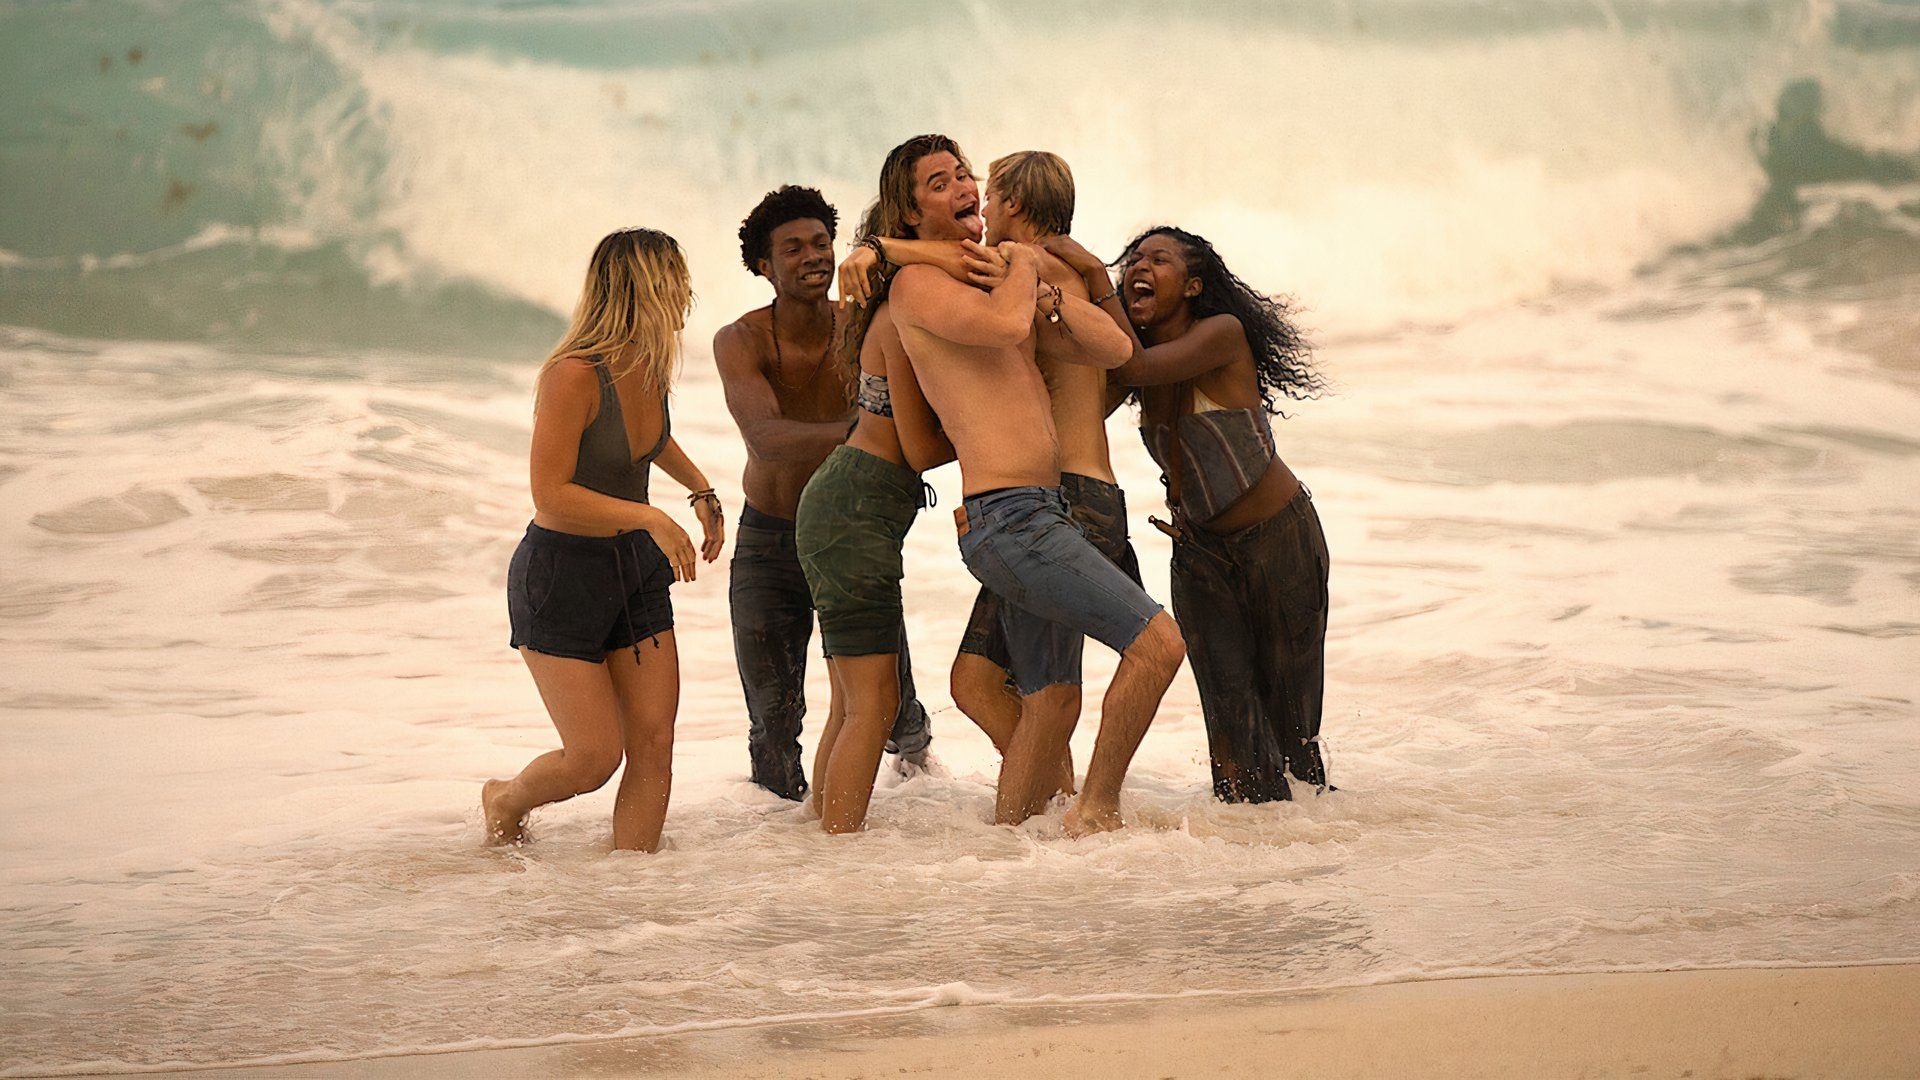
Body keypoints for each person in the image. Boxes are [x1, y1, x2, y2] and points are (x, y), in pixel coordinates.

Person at [869, 134, 1186, 836]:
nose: (965, 189)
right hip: (1011, 518)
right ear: (910, 209)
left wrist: (1047, 290)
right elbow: (1004, 323)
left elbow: (1114, 349)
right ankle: (1094, 810)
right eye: (942, 182)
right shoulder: (919, 286)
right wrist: (1021, 267)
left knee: (1050, 701)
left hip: (1040, 510)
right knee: (1159, 645)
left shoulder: (992, 278)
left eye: (966, 176)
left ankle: (1011, 848)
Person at [1043, 225, 1331, 803]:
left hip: (1279, 543)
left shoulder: (1219, 335)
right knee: (1230, 732)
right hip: (1199, 554)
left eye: (1159, 260)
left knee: (1291, 726)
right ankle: (1243, 871)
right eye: (1132, 262)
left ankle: (1313, 858)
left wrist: (1095, 279)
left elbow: (1133, 369)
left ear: (1195, 285)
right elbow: (1083, 410)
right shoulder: (1140, 358)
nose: (1138, 269)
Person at [482, 228, 724, 852]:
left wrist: (699, 490)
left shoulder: (650, 364)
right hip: (561, 576)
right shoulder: (572, 375)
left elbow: (649, 440)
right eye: (675, 278)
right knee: (593, 759)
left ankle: (630, 893)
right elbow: (551, 493)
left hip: (634, 574)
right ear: (641, 286)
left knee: (654, 744)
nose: (686, 292)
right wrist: (648, 517)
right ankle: (504, 800)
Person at [714, 186, 933, 802]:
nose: (813, 256)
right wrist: (871, 434)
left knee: (894, 709)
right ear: (764, 266)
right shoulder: (741, 340)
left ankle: (925, 796)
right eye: (793, 249)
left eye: (820, 243)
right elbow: (767, 438)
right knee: (773, 722)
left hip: (847, 535)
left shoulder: (861, 324)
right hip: (771, 539)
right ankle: (787, 850)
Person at [791, 170, 956, 834]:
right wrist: (989, 434)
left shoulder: (886, 313)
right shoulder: (899, 316)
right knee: (872, 705)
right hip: (854, 509)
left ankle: (817, 838)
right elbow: (917, 448)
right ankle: (838, 853)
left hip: (842, 506)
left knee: (850, 703)